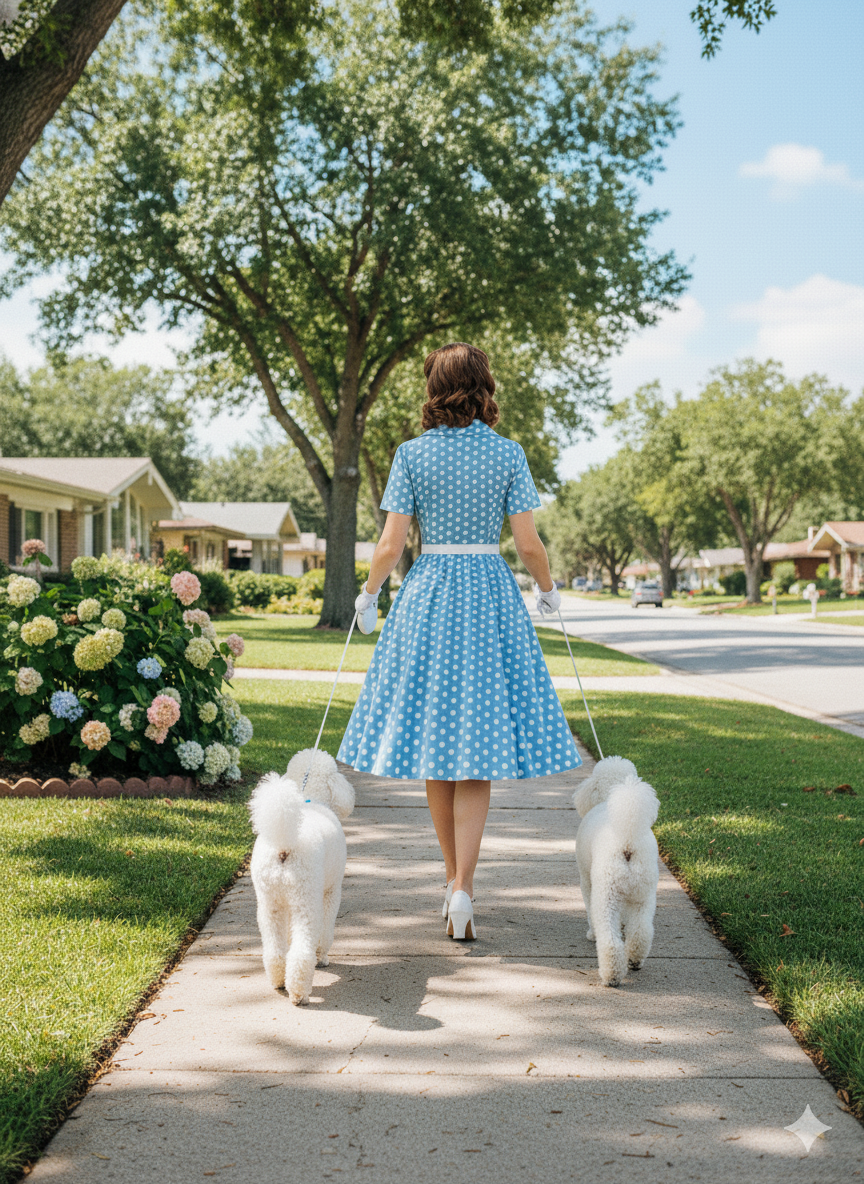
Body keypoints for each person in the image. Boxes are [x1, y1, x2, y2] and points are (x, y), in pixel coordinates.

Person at [337, 343, 582, 939]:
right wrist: (548, 591)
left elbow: (392, 546)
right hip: (489, 596)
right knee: (479, 749)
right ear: (483, 386)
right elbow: (527, 544)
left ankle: (451, 882)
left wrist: (367, 595)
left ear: (435, 386)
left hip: (430, 596)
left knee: (435, 747)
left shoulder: (411, 455)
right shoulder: (508, 454)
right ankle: (465, 887)